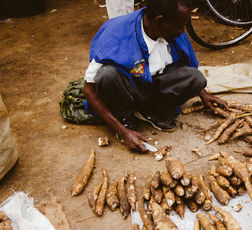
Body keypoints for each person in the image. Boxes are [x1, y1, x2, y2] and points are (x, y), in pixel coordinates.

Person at [83, 0, 227, 153]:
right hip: (127, 89)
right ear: (159, 20)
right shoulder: (116, 34)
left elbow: (186, 63)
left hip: (155, 84)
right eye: (179, 26)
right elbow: (89, 89)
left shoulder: (172, 32)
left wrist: (203, 94)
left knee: (196, 78)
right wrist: (122, 132)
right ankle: (124, 119)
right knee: (106, 75)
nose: (182, 31)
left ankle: (153, 112)